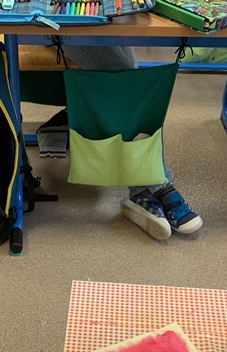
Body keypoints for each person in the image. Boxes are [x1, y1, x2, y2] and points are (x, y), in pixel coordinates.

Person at [48, 46, 203, 240]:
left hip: (101, 31)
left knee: (129, 71)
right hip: (62, 30)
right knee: (125, 79)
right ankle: (159, 185)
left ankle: (142, 192)